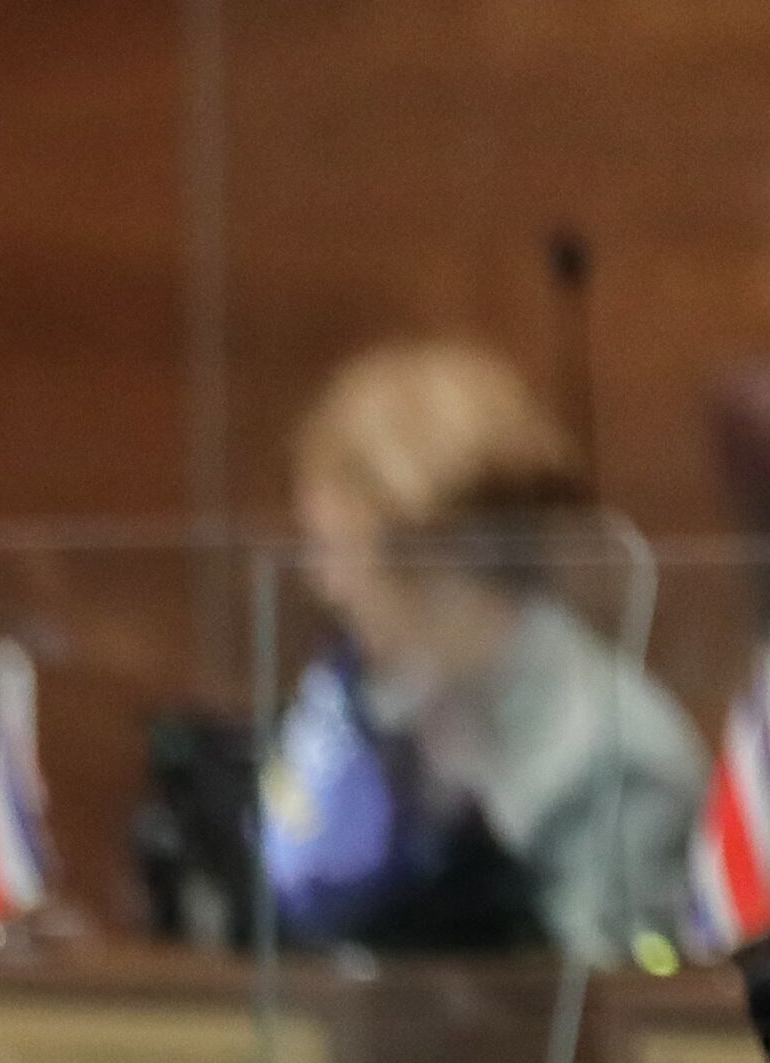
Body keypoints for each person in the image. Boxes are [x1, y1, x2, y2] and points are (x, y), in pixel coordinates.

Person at [271, 339, 703, 965]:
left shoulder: (619, 755)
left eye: (336, 548)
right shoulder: (375, 717)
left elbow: (597, 1012)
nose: (324, 584)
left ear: (430, 552)